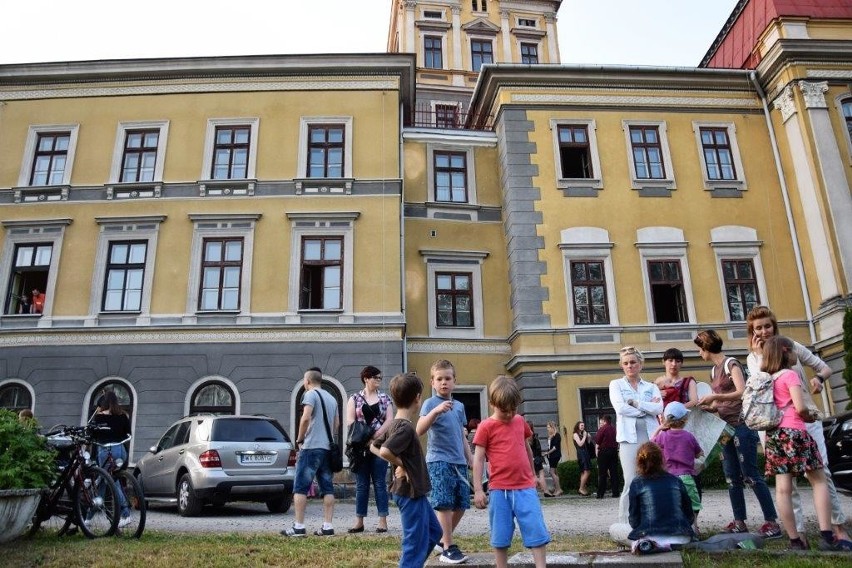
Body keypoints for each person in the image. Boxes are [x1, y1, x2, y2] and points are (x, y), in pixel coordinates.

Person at [746, 305, 851, 545]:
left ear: (774, 325)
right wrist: (759, 354)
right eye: (758, 328)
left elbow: (823, 366)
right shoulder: (753, 359)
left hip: (805, 421)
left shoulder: (791, 347)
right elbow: (760, 387)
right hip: (773, 424)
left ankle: (838, 528)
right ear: (752, 332)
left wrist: (818, 378)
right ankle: (799, 534)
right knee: (788, 482)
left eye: (767, 326)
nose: (763, 331)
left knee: (822, 472)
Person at [694, 329, 781, 539]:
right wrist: (712, 407)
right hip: (725, 428)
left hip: (742, 426)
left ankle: (772, 522)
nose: (698, 354)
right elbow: (724, 401)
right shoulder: (714, 371)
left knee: (751, 475)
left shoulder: (730, 364)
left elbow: (742, 391)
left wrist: (715, 396)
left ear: (706, 347)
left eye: (699, 349)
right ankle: (739, 521)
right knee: (731, 476)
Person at [472, 376, 550, 568]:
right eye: (503, 410)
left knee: (536, 530)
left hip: (525, 488)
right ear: (492, 404)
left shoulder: (519, 421)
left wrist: (533, 474)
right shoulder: (486, 426)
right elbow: (479, 458)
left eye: (513, 409)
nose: (509, 414)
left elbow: (527, 449)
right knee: (500, 535)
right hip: (500, 490)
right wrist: (478, 490)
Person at [371, 373, 442, 567]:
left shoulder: (394, 424)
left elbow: (373, 446)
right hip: (409, 493)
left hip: (415, 493)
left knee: (435, 532)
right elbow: (384, 450)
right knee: (413, 543)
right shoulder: (405, 428)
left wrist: (400, 462)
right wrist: (402, 464)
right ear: (418, 398)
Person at [416, 359, 473, 564]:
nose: (444, 383)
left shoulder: (459, 406)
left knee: (462, 503)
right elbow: (420, 429)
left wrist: (470, 457)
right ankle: (448, 547)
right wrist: (435, 411)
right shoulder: (430, 404)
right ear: (432, 382)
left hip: (458, 462)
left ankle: (440, 540)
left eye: (447, 378)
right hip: (438, 460)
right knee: (444, 503)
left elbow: (461, 433)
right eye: (439, 379)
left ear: (454, 381)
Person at [609, 346, 662, 524]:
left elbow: (658, 408)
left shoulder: (651, 386)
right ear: (621, 366)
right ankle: (625, 521)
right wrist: (645, 409)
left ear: (640, 364)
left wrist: (637, 403)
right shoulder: (616, 385)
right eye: (626, 363)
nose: (629, 366)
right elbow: (620, 408)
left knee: (651, 476)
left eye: (633, 362)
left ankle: (651, 518)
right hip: (628, 438)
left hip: (650, 436)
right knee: (631, 479)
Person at [282, 368, 339, 537]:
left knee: (300, 487)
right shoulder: (332, 398)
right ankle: (327, 526)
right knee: (327, 488)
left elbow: (306, 418)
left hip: (311, 447)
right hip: (328, 449)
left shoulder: (310, 395)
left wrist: (300, 439)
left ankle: (299, 526)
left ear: (307, 381)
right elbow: (337, 424)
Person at [346, 365, 393, 534]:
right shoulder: (355, 398)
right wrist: (366, 438)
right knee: (361, 485)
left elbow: (390, 420)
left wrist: (376, 436)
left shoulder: (385, 398)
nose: (378, 381)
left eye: (380, 378)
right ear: (366, 378)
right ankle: (359, 521)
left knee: (380, 483)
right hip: (360, 447)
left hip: (380, 446)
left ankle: (383, 521)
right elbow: (350, 421)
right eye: (376, 378)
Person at [627, 442, 694, 553]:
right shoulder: (676, 480)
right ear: (661, 459)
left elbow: (634, 521)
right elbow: (689, 516)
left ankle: (653, 545)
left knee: (616, 528)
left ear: (639, 462)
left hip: (651, 538)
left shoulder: (637, 483)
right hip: (682, 537)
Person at [651, 401, 703, 535]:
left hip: (668, 478)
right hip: (686, 476)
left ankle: (672, 529)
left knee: (672, 504)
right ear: (685, 419)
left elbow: (651, 444)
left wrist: (659, 429)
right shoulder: (689, 436)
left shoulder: (663, 436)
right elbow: (699, 453)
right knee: (693, 504)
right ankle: (694, 528)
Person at [89, 390, 133, 527]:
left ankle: (125, 513)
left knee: (111, 481)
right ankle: (89, 517)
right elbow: (128, 434)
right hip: (121, 451)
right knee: (105, 481)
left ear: (104, 402)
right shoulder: (123, 416)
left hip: (106, 451)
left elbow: (92, 434)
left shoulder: (100, 417)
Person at [594, 414, 619, 499]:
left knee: (602, 473)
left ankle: (600, 493)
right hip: (614, 451)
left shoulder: (603, 428)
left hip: (604, 451)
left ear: (604, 421)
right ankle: (615, 492)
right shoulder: (614, 428)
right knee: (614, 472)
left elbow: (597, 440)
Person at [542, 421, 563, 497]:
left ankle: (558, 489)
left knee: (552, 472)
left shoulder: (557, 435)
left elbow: (555, 447)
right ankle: (558, 489)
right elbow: (550, 446)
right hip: (551, 456)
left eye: (548, 427)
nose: (547, 429)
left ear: (552, 427)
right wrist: (547, 453)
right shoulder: (551, 436)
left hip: (555, 455)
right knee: (554, 472)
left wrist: (547, 453)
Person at [527, 420, 548, 495]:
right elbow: (539, 448)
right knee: (541, 474)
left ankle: (534, 491)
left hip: (530, 459)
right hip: (537, 458)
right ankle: (545, 491)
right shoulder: (534, 436)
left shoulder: (525, 437)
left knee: (531, 476)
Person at [571, 421, 591, 496]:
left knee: (584, 472)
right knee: (587, 471)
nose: (583, 427)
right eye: (581, 425)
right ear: (578, 426)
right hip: (581, 454)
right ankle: (581, 488)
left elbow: (587, 444)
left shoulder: (582, 434)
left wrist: (588, 437)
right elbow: (580, 444)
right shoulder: (575, 434)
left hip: (585, 453)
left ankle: (582, 488)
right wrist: (585, 436)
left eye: (583, 425)